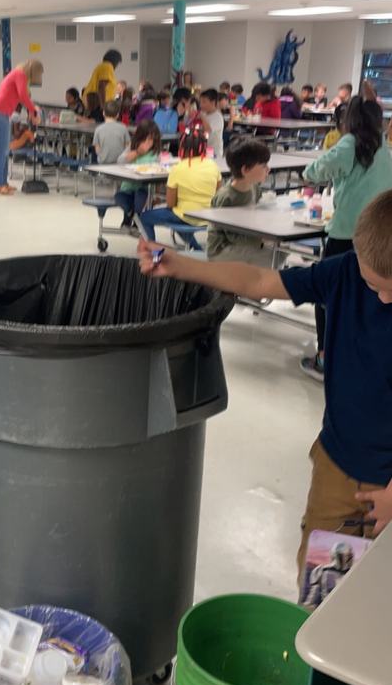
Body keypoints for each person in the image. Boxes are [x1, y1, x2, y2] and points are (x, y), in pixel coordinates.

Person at [138, 190, 392, 581]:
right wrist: (180, 265)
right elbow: (258, 280)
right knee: (320, 588)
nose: (383, 298)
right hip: (336, 468)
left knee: (373, 596)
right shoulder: (344, 273)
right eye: (373, 283)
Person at [300, 95, 392, 381]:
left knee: (328, 294)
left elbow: (312, 172)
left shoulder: (349, 144)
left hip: (345, 234)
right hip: (379, 233)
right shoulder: (385, 149)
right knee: (373, 295)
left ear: (349, 120)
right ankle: (363, 354)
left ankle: (326, 357)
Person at [139, 124, 222, 249]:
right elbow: (218, 194)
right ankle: (196, 248)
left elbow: (171, 204)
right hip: (208, 216)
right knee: (178, 216)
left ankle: (152, 251)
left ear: (182, 147)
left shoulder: (178, 168)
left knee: (145, 217)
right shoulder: (213, 166)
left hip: (186, 215)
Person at [207, 137, 271, 265]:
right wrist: (260, 240)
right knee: (273, 255)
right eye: (263, 165)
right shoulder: (226, 197)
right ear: (245, 170)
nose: (268, 169)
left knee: (280, 251)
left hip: (245, 242)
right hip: (222, 250)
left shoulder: (255, 188)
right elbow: (231, 235)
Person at [0, 58, 43, 196]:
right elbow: (23, 96)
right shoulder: (20, 75)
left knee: (4, 150)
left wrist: (32, 109)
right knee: (3, 151)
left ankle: (2, 182)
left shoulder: (17, 75)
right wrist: (33, 111)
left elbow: (22, 96)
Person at [114, 119, 161, 227]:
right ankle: (130, 215)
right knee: (119, 197)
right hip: (128, 186)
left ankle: (136, 218)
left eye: (151, 140)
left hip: (143, 188)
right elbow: (120, 161)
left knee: (140, 196)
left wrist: (157, 194)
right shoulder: (132, 147)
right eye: (146, 139)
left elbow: (158, 173)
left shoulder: (155, 153)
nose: (148, 143)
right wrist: (137, 152)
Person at [93, 98, 129, 165]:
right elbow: (127, 146)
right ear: (118, 115)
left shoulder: (98, 129)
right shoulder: (123, 128)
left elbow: (97, 149)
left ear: (103, 113)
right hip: (119, 162)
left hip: (103, 161)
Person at [197, 88, 224, 154]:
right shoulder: (204, 114)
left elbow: (208, 131)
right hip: (203, 149)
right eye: (200, 102)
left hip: (214, 152)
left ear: (213, 102)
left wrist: (202, 118)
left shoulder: (217, 117)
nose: (200, 105)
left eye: (204, 102)